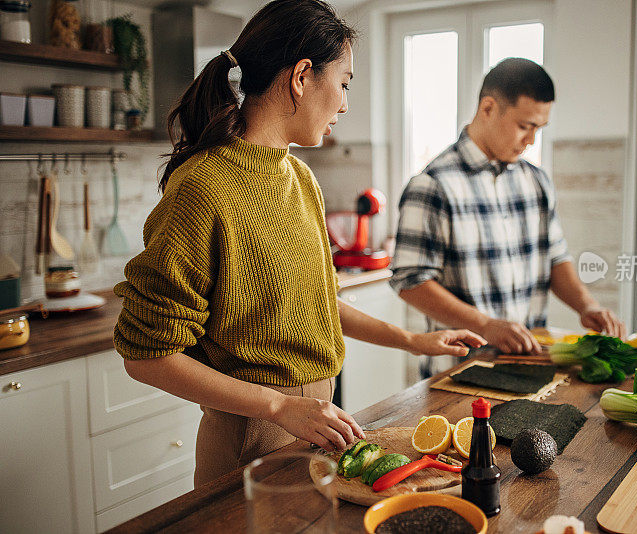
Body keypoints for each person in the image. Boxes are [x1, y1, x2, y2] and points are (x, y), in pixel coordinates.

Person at [114, 0, 486, 487]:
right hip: (250, 440)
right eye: (345, 82)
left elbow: (318, 303)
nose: (346, 103)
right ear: (302, 76)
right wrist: (278, 406)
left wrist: (412, 341)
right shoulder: (203, 189)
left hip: (312, 423)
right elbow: (145, 355)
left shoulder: (300, 179)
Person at [391, 58, 624, 378]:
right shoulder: (433, 185)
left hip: (530, 366)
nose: (531, 140)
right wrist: (484, 324)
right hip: (461, 373)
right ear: (488, 108)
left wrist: (588, 306)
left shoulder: (536, 181)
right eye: (524, 126)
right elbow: (410, 281)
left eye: (538, 129)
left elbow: (556, 258)